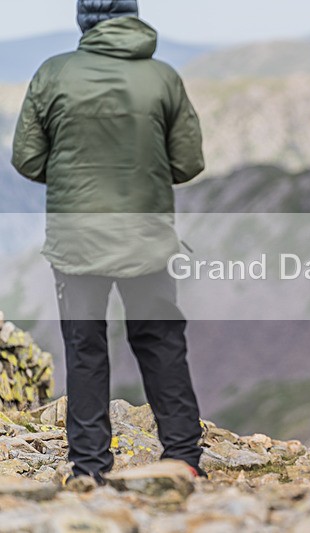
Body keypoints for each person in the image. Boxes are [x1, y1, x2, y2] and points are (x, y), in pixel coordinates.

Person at [12, 0, 206, 486]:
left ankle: (89, 468)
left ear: (83, 19)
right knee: (160, 342)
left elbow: (27, 160)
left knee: (84, 347)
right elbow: (187, 163)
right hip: (147, 237)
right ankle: (183, 457)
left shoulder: (52, 74)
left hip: (76, 239)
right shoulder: (163, 78)